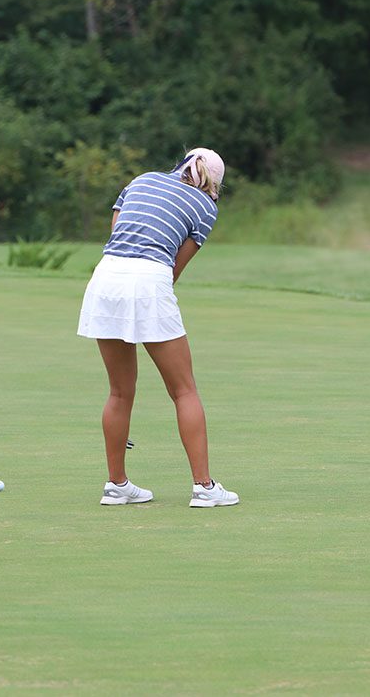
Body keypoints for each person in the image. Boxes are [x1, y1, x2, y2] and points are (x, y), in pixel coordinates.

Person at [77, 147, 239, 508]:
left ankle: (117, 485)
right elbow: (173, 268)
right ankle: (204, 487)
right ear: (214, 185)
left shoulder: (142, 180)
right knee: (184, 391)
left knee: (119, 392)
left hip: (106, 276)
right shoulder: (206, 207)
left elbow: (118, 235)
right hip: (149, 279)